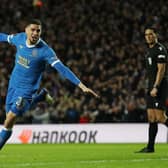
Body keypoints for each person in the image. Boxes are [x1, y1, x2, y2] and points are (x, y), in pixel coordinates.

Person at [0, 19, 99, 150]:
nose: (35, 33)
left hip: (27, 90)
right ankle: (41, 97)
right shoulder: (19, 38)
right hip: (13, 85)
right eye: (33, 30)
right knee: (10, 118)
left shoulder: (45, 51)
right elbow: (4, 37)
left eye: (38, 31)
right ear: (26, 30)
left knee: (10, 119)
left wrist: (81, 86)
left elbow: (62, 68)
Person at [137, 28, 168, 153]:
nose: (148, 37)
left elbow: (161, 70)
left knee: (160, 117)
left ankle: (150, 146)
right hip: (150, 86)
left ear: (155, 35)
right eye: (146, 35)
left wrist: (156, 86)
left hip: (158, 86)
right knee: (151, 118)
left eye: (151, 34)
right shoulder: (149, 51)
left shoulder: (160, 49)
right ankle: (150, 147)